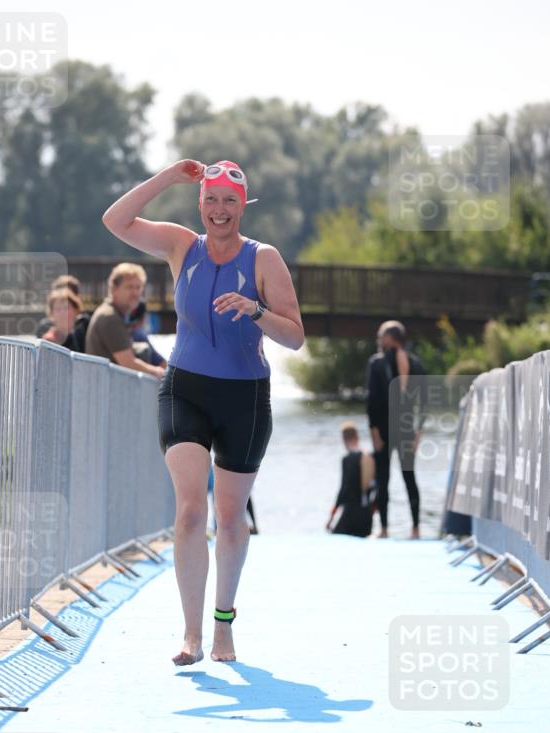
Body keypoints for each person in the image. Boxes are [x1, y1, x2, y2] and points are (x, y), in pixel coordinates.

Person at [102, 158, 304, 664]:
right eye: (211, 199)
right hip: (185, 389)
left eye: (229, 201)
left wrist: (255, 310)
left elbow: (296, 337)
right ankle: (190, 635)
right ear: (200, 204)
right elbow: (115, 220)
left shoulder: (264, 259)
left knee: (230, 519)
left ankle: (222, 625)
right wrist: (168, 177)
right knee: (192, 510)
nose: (220, 210)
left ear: (243, 206)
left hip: (244, 397)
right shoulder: (180, 245)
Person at [366, 320, 425, 539]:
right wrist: (418, 432)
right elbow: (372, 400)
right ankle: (396, 529)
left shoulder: (385, 362)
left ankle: (403, 529)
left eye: (382, 336)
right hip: (395, 429)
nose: (379, 339)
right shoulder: (384, 362)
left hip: (394, 429)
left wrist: (374, 432)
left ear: (391, 338)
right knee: (394, 478)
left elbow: (372, 399)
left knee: (398, 478)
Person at [84, 263, 165, 378]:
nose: (135, 293)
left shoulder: (112, 314)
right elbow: (128, 363)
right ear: (114, 290)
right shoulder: (110, 317)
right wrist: (162, 374)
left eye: (138, 287)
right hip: (106, 386)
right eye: (129, 287)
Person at [326, 422, 376, 537]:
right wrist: (372, 510)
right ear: (357, 437)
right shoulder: (369, 457)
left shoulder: (347, 459)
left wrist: (331, 517)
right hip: (367, 517)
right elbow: (375, 487)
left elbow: (344, 490)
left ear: (344, 439)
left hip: (350, 515)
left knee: (335, 537)